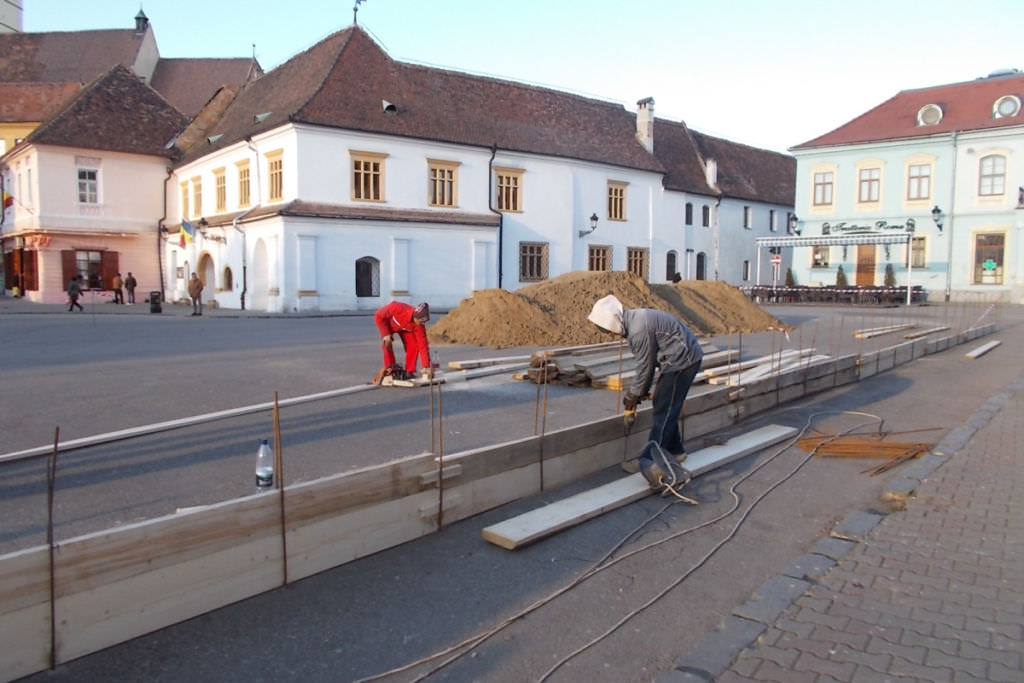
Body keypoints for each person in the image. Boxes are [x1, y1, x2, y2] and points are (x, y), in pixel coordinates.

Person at [588, 294, 704, 493]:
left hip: (682, 360)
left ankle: (650, 461)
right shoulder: (634, 322)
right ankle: (676, 452)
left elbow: (646, 367)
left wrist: (633, 396)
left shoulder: (638, 329)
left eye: (608, 331)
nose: (609, 335)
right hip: (679, 357)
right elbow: (647, 366)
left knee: (664, 409)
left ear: (612, 324)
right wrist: (638, 392)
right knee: (667, 406)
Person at [373, 301, 432, 381]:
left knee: (414, 345)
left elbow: (423, 345)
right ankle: (390, 369)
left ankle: (409, 371)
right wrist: (385, 334)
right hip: (390, 325)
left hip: (405, 329)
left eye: (425, 321)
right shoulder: (397, 307)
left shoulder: (419, 326)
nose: (423, 323)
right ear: (415, 317)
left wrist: (426, 366)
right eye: (422, 321)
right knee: (387, 344)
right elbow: (378, 316)